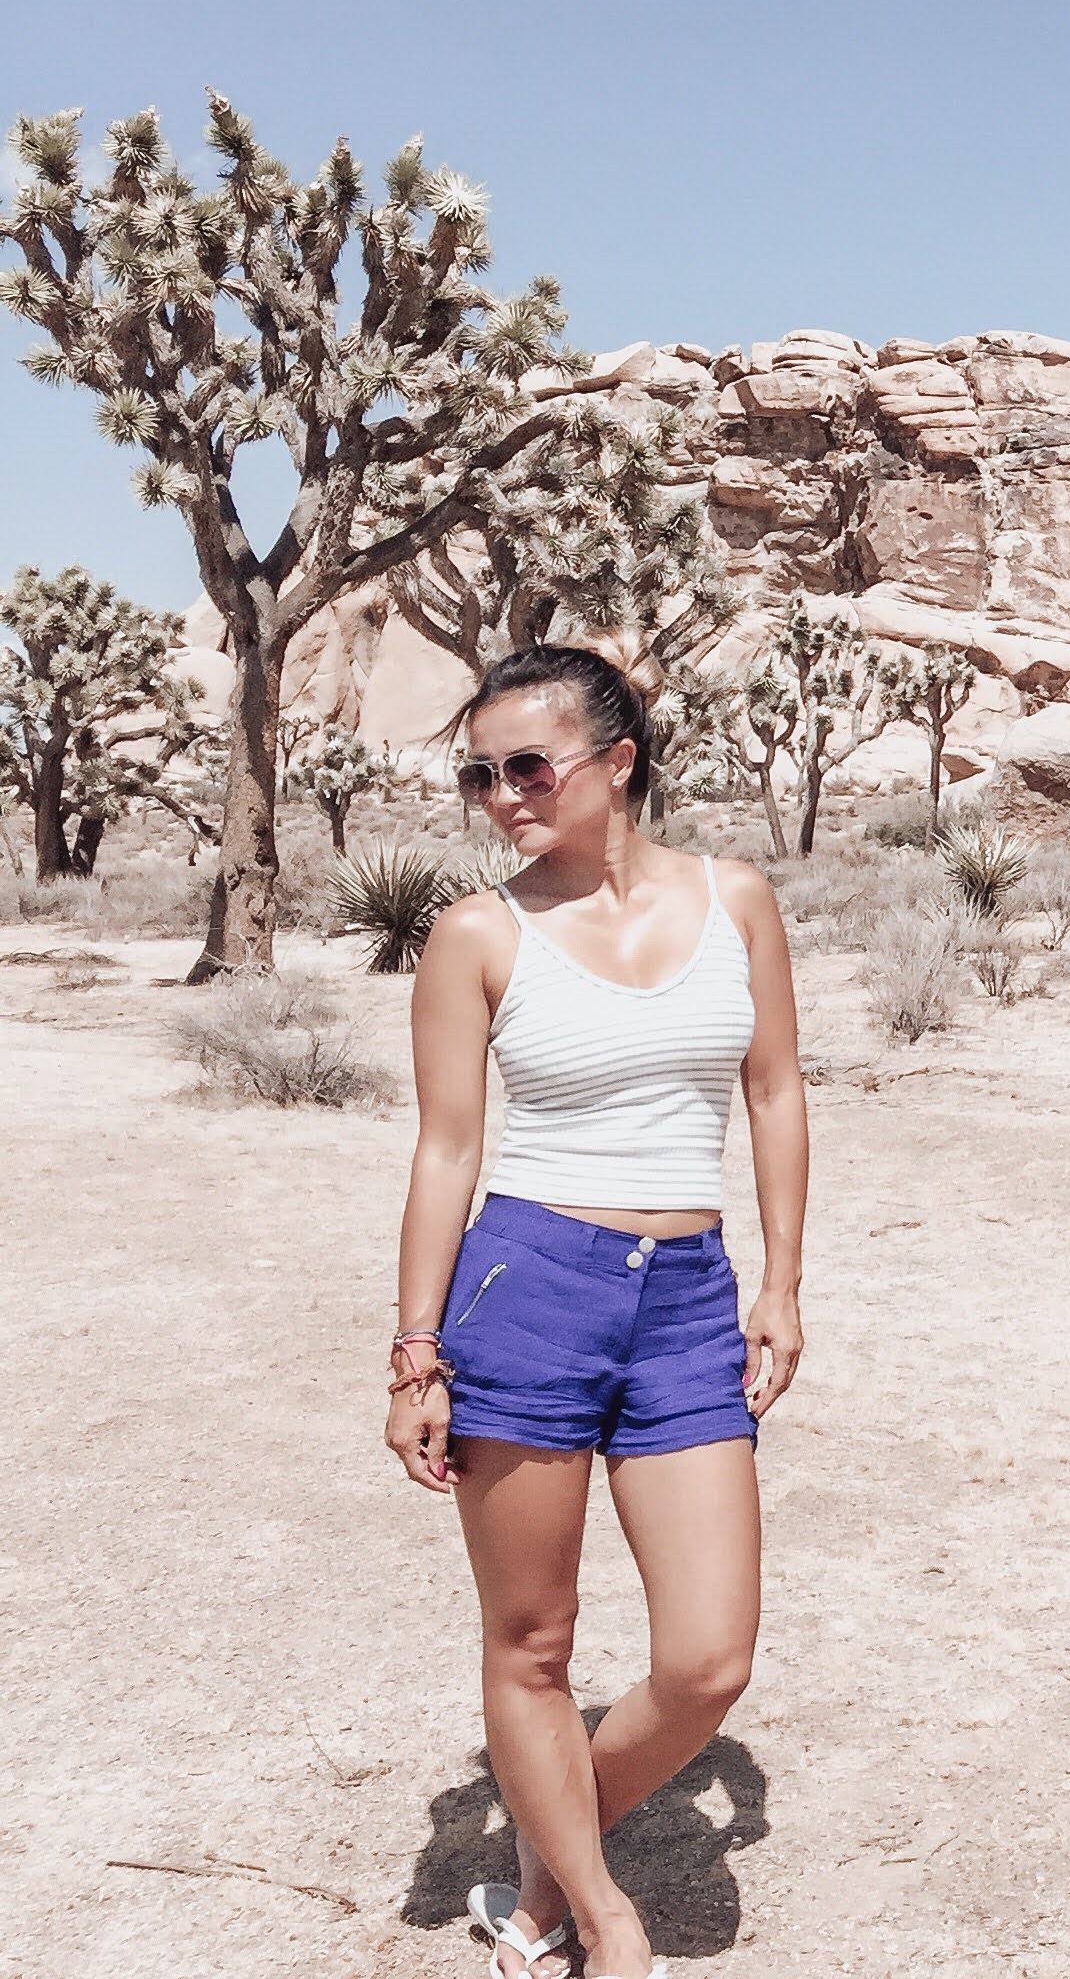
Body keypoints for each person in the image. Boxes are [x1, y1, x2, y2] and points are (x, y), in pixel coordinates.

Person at [385, 646, 808, 1979]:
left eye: (529, 765)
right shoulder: (478, 933)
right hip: (526, 1289)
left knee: (709, 1657)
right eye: (479, 774)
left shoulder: (736, 898)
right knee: (534, 1640)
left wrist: (782, 1283)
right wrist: (413, 1355)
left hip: (687, 1296)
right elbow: (446, 1151)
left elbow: (778, 1093)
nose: (503, 794)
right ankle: (602, 1915)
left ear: (616, 761)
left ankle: (548, 1855)